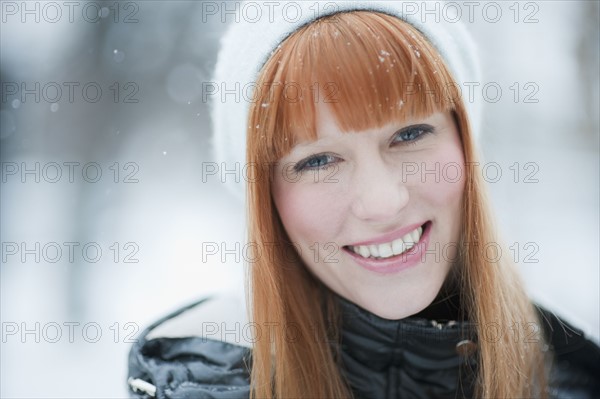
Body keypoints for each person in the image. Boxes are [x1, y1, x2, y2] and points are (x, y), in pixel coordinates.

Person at [127, 1, 600, 398]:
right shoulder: (200, 381)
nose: (383, 202)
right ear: (264, 198)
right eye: (317, 161)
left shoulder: (571, 382)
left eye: (410, 133)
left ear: (465, 143)